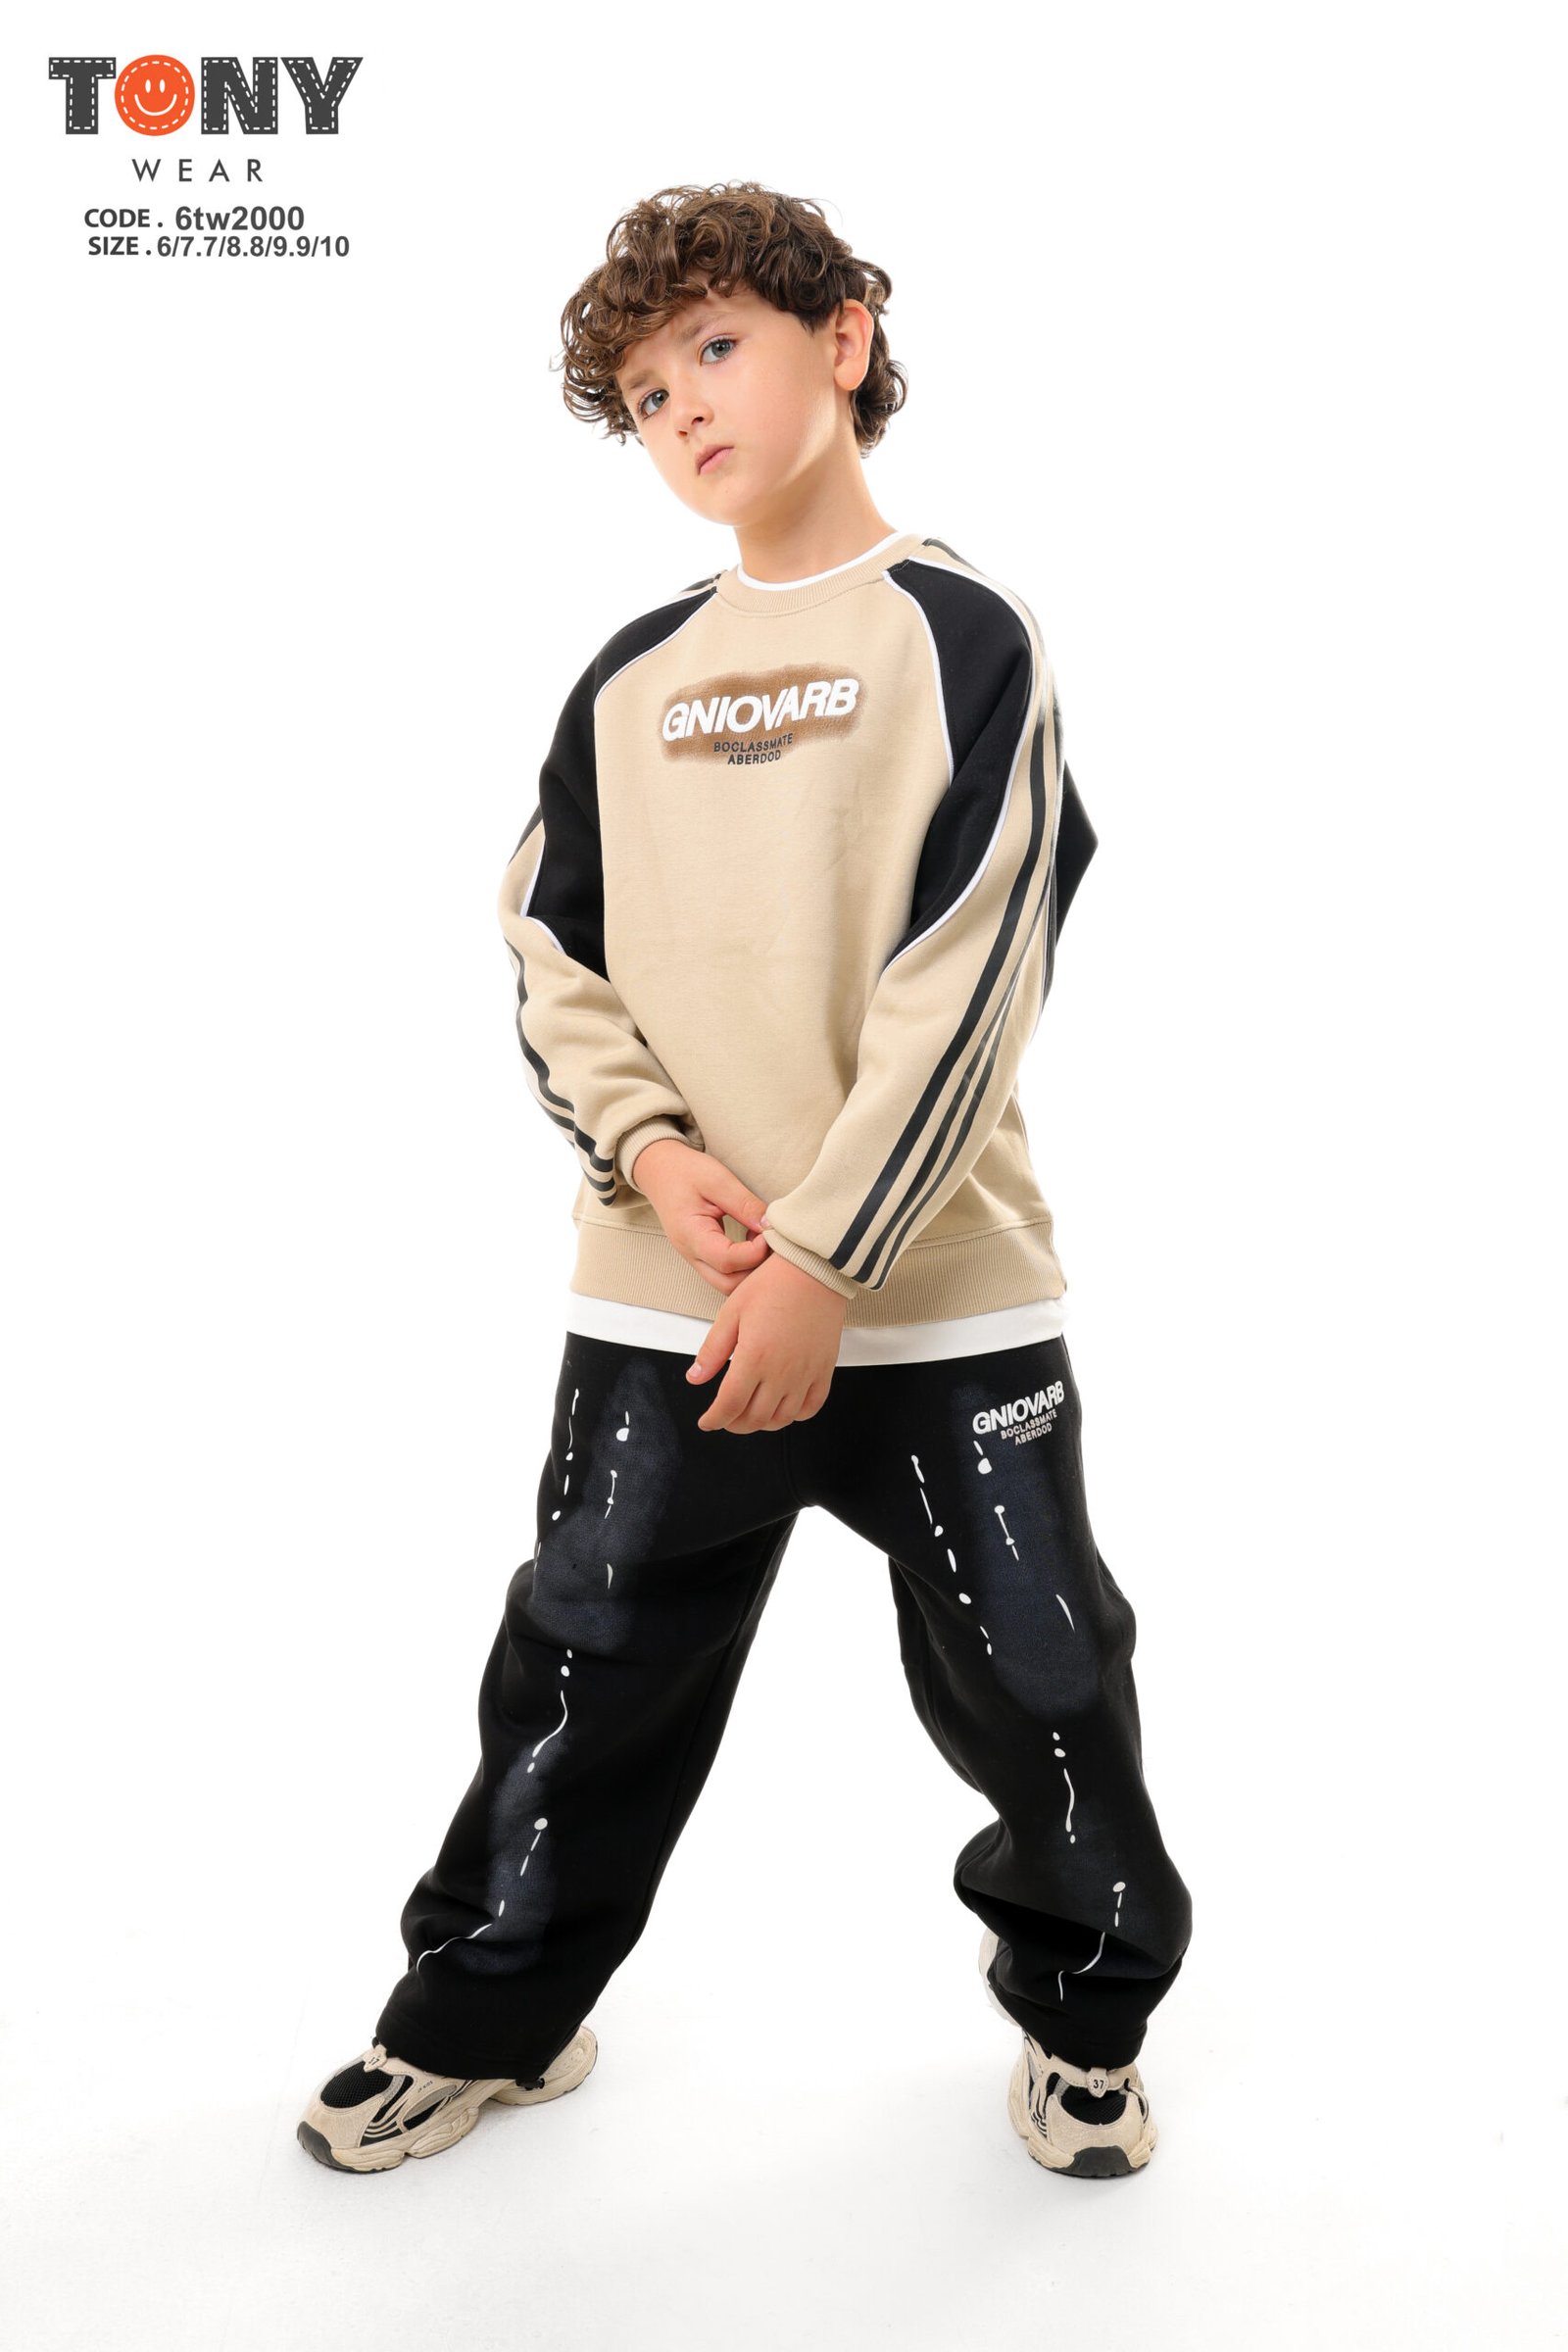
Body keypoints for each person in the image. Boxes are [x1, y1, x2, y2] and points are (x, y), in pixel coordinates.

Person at [298, 179, 1194, 2181]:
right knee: (583, 1666)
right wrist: (650, 1150)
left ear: (843, 338)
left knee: (1042, 1669)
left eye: (713, 346)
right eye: (642, 392)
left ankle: (1083, 2027)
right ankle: (487, 2021)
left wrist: (824, 1262)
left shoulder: (959, 634)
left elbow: (976, 964)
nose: (681, 405)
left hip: (936, 1305)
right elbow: (550, 948)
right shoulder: (630, 676)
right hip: (666, 1301)